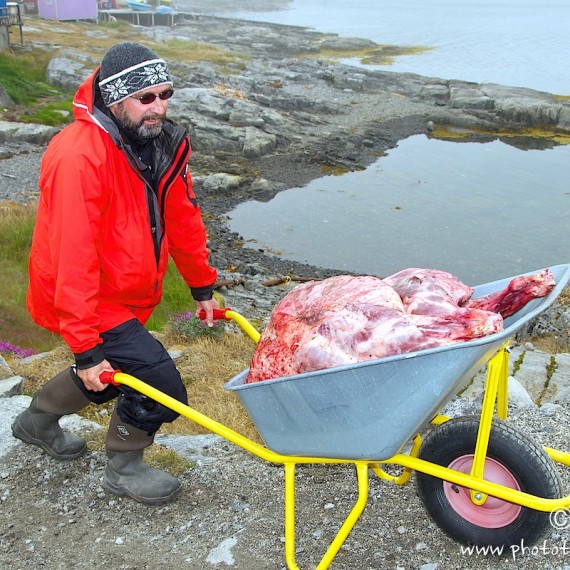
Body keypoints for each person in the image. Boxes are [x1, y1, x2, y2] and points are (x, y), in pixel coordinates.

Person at [11, 42, 219, 505]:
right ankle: (124, 465)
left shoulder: (160, 142)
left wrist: (201, 282)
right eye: (147, 98)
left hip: (125, 291)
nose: (160, 107)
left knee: (112, 368)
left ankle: (36, 422)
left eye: (166, 94)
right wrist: (85, 346)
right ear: (115, 96)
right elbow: (72, 253)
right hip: (85, 295)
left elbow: (182, 214)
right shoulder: (79, 156)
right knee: (159, 385)